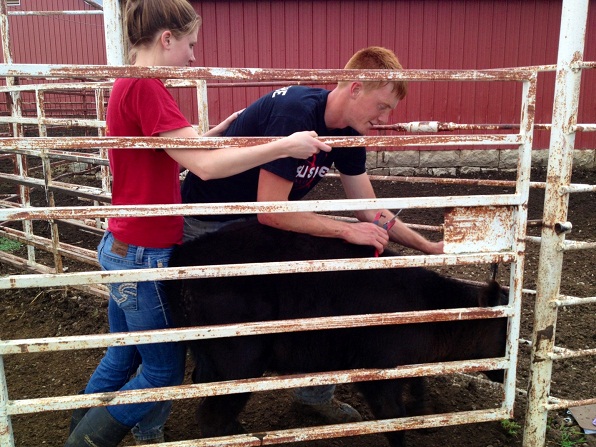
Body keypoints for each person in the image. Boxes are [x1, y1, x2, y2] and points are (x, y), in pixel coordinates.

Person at [64, 0, 330, 446]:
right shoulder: (149, 88)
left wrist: (215, 132)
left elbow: (164, 156)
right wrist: (283, 146)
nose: (192, 56)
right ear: (166, 39)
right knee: (163, 371)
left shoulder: (128, 83)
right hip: (145, 252)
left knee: (124, 354)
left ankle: (79, 430)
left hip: (122, 243)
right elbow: (206, 169)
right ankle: (84, 442)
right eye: (189, 44)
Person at [180, 46, 444, 425]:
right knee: (233, 319)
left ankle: (312, 393)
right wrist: (345, 230)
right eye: (382, 106)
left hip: (257, 222)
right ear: (355, 88)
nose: (385, 117)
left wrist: (428, 246)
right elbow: (271, 210)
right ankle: (210, 403)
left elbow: (369, 209)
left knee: (315, 293)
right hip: (212, 221)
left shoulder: (349, 132)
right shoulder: (297, 113)